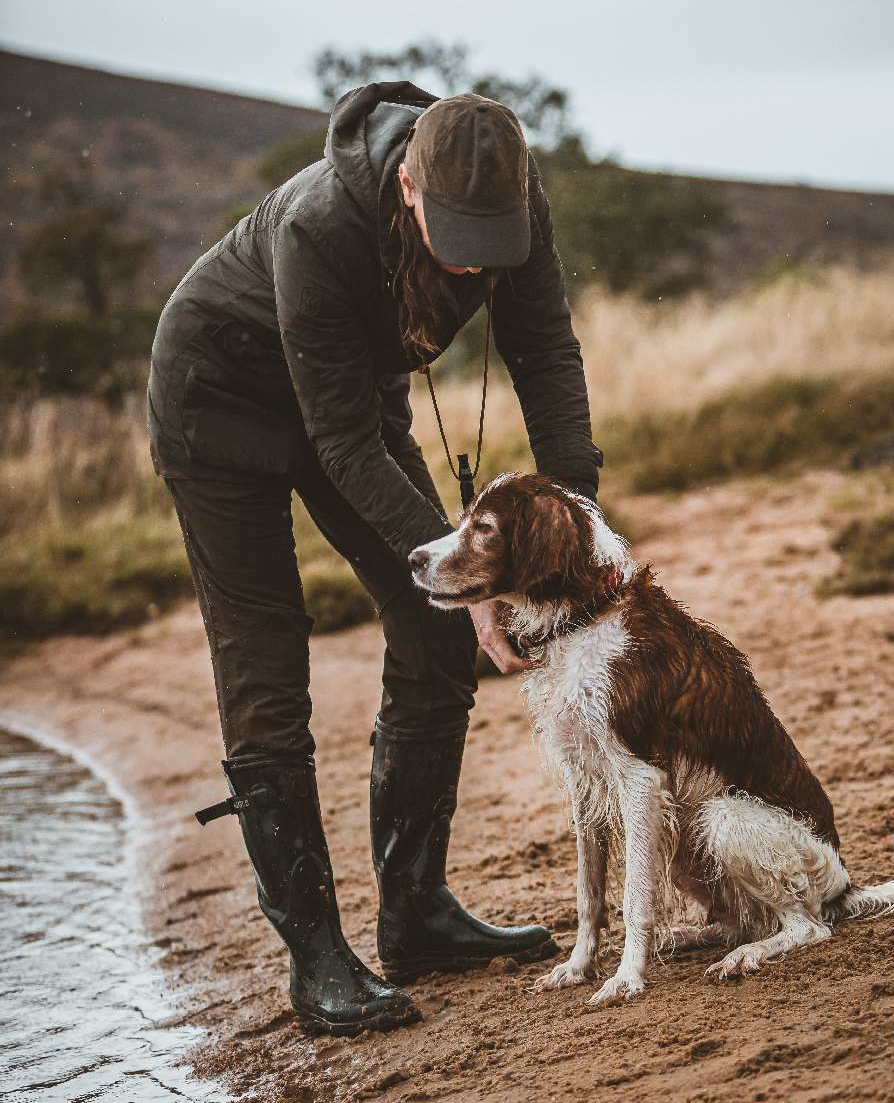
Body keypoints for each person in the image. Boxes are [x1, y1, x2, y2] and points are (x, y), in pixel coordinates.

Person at [146, 81, 603, 1035]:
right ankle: (316, 960)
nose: (479, 269)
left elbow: (547, 355)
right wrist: (471, 578)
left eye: (495, 248)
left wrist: (575, 521)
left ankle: (416, 916)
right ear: (407, 187)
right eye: (459, 244)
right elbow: (343, 442)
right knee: (268, 661)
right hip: (219, 404)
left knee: (436, 638)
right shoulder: (319, 224)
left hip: (353, 400)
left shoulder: (515, 203)